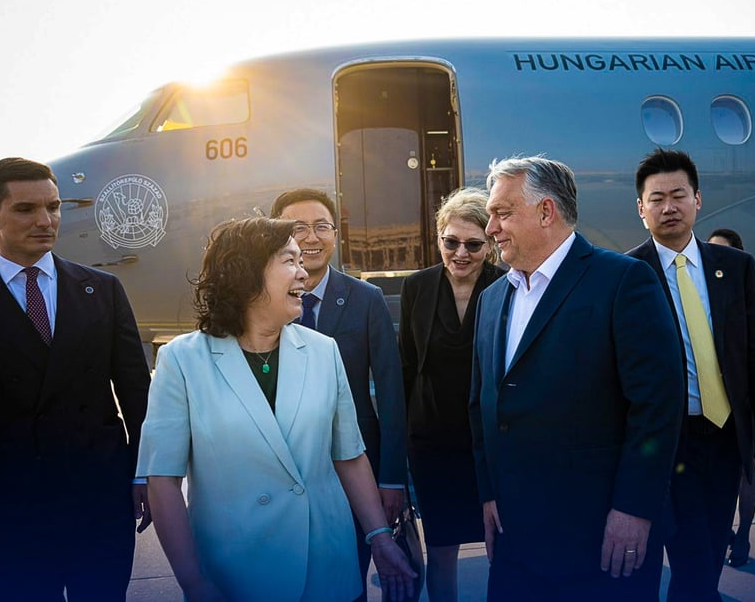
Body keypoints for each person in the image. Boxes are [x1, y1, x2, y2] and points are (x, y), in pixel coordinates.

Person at [137, 217, 416, 602]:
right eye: (290, 261)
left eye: (302, 261)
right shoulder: (181, 361)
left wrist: (380, 538)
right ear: (246, 274)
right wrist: (193, 581)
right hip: (234, 575)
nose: (303, 273)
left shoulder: (323, 350)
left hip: (328, 568)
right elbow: (162, 481)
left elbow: (349, 457)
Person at [0, 158, 152, 601]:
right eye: (26, 209)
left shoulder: (101, 289)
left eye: (54, 206)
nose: (46, 221)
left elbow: (137, 394)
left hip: (100, 503)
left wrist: (142, 475)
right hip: (11, 512)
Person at [470, 155, 683, 601]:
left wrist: (634, 508)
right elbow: (482, 404)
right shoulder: (492, 298)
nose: (491, 228)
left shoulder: (622, 281)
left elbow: (657, 407)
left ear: (546, 212)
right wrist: (489, 493)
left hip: (597, 540)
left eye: (502, 213)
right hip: (514, 540)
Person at [628, 149, 755, 602]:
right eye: (656, 198)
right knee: (692, 563)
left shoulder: (737, 269)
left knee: (705, 561)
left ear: (698, 200)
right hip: (664, 443)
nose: (668, 206)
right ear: (641, 209)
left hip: (723, 441)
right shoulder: (625, 275)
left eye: (678, 194)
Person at [270, 188, 407, 600]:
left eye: (322, 227)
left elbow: (390, 392)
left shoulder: (366, 299)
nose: (311, 238)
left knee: (350, 582)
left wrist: (393, 478)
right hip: (284, 468)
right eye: (298, 229)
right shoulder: (262, 303)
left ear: (335, 234)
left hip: (355, 468)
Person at [398, 187, 503, 602]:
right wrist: (404, 442)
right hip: (433, 445)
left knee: (503, 547)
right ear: (438, 238)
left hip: (490, 445)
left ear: (490, 244)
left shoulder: (506, 286)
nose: (461, 253)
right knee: (441, 550)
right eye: (451, 241)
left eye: (474, 244)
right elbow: (407, 366)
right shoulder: (417, 288)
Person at [706, 228, 755, 568]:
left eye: (721, 251)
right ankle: (723, 527)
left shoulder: (743, 287)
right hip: (710, 395)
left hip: (743, 392)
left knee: (747, 470)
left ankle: (743, 533)